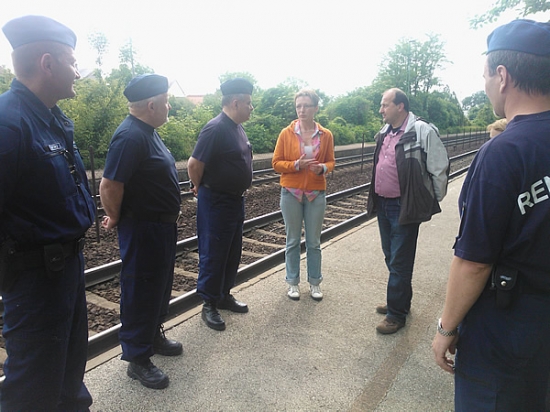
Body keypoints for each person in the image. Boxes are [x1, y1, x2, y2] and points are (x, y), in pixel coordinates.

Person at [432, 19, 550, 411]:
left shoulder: (503, 151)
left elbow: (474, 262)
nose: (485, 86)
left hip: (507, 329)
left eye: (485, 76)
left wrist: (447, 327)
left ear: (503, 76)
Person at [0, 15, 95, 410]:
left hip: (65, 267)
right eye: (72, 62)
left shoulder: (52, 117)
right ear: (48, 64)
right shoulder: (9, 122)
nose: (78, 72)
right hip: (33, 279)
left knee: (69, 370)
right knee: (33, 386)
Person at [99, 73, 183, 390]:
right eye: (166, 101)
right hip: (143, 228)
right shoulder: (130, 136)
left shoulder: (147, 132)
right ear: (151, 105)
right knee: (141, 290)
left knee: (158, 286)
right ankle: (137, 358)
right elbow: (110, 184)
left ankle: (152, 336)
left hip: (160, 227)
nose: (169, 106)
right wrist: (114, 216)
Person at [366, 88, 449, 334]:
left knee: (400, 261)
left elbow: (439, 168)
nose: (381, 110)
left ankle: (396, 315)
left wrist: (428, 199)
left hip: (405, 204)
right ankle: (400, 300)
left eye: (385, 105)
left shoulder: (422, 130)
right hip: (383, 203)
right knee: (390, 256)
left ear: (400, 106)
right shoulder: (385, 131)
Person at [187, 78, 253, 331]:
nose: (251, 108)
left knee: (232, 251)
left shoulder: (237, 128)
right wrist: (200, 187)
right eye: (248, 103)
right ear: (235, 103)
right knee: (214, 252)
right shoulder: (215, 128)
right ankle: (209, 304)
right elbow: (194, 164)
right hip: (216, 201)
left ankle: (224, 294)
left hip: (234, 200)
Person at [272, 89, 335, 300]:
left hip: (316, 193)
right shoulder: (286, 133)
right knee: (292, 240)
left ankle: (315, 283)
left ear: (315, 108)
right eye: (298, 106)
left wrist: (322, 168)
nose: (302, 110)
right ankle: (293, 283)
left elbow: (331, 161)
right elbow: (276, 163)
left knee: (313, 241)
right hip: (291, 192)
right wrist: (296, 165)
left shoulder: (326, 135)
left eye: (306, 106)